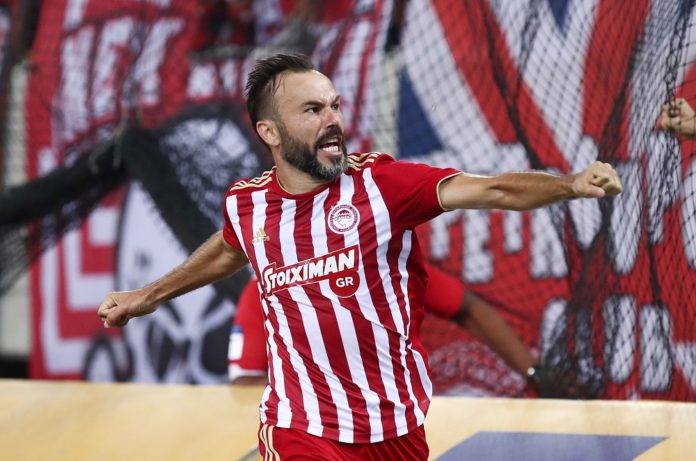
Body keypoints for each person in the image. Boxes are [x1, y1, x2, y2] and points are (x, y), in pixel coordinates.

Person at [98, 53, 623, 460]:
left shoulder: (384, 186)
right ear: (269, 133)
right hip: (300, 426)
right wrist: (148, 295)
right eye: (312, 110)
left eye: (334, 105)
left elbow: (495, 190)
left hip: (395, 427)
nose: (333, 120)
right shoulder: (249, 204)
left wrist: (570, 185)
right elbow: (229, 248)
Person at [228, 263, 537, 388]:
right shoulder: (266, 288)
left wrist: (535, 374)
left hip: (401, 424)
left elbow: (469, 309)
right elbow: (246, 384)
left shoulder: (388, 266)